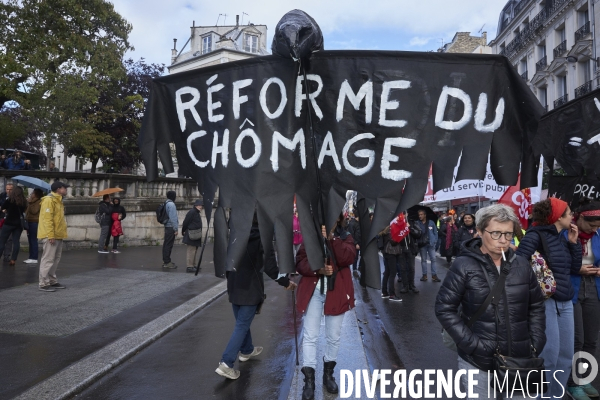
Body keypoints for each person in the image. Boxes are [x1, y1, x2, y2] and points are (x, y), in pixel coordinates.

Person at [435, 204, 546, 400]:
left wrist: (535, 342)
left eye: (508, 234)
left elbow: (536, 306)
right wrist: (474, 345)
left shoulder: (521, 264)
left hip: (521, 359)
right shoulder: (464, 265)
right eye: (495, 233)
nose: (503, 240)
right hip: (478, 362)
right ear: (479, 231)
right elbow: (445, 308)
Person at [215, 213, 296, 380]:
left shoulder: (234, 234)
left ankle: (247, 350)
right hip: (250, 287)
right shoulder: (263, 238)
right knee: (242, 325)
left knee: (242, 323)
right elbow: (271, 268)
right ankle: (226, 363)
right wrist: (286, 282)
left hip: (234, 285)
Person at [516, 197, 581, 399]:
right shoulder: (535, 235)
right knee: (549, 356)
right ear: (557, 216)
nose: (572, 216)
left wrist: (573, 243)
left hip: (566, 300)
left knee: (566, 356)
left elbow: (573, 268)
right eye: (568, 212)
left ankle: (556, 395)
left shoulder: (563, 236)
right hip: (546, 301)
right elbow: (518, 263)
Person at [295, 214, 356, 399]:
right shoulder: (311, 238)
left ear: (337, 220)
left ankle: (328, 374)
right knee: (310, 336)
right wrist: (318, 269)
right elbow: (300, 262)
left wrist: (332, 239)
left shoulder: (345, 236)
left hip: (336, 292)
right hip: (313, 292)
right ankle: (309, 380)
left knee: (333, 337)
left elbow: (348, 257)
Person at [566, 200, 600, 400]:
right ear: (579, 218)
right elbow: (557, 261)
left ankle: (583, 378)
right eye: (592, 225)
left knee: (591, 339)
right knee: (577, 339)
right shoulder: (566, 234)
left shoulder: (598, 235)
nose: (595, 229)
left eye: (598, 226)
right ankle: (571, 383)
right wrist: (576, 269)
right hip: (573, 288)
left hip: (594, 288)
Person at [38, 181, 69, 292]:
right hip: (51, 235)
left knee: (55, 259)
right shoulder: (49, 200)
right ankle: (43, 283)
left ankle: (51, 280)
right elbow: (48, 219)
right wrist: (50, 235)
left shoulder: (58, 200)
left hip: (57, 234)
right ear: (58, 189)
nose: (66, 190)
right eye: (64, 188)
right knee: (48, 259)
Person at [0, 185, 27, 265]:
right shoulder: (24, 201)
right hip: (18, 224)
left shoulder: (10, 200)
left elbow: (3, 207)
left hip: (9, 222)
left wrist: (7, 210)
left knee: (2, 241)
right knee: (16, 241)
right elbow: (24, 210)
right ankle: (13, 259)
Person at [415, 209, 440, 282]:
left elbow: (435, 232)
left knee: (433, 259)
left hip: (431, 244)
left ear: (425, 215)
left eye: (421, 214)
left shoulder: (431, 222)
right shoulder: (417, 223)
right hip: (422, 244)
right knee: (423, 260)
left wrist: (435, 240)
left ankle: (434, 275)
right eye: (419, 215)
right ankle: (424, 275)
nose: (420, 216)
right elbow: (415, 233)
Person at [182, 199, 203, 271]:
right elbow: (186, 222)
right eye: (200, 205)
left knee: (194, 250)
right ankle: (189, 266)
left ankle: (193, 265)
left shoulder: (196, 212)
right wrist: (183, 230)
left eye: (201, 205)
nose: (201, 207)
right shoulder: (192, 212)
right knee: (191, 250)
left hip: (195, 234)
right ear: (196, 205)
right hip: (191, 234)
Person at [24, 188, 44, 264]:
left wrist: (30, 203)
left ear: (36, 194)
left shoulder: (38, 202)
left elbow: (34, 211)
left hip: (34, 222)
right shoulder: (32, 201)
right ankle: (31, 256)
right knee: (30, 240)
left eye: (33, 193)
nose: (31, 194)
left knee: (33, 240)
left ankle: (34, 257)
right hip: (29, 221)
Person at [162, 190, 178, 269]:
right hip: (170, 227)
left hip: (167, 226)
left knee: (166, 244)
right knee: (168, 245)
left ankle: (165, 260)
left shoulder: (166, 203)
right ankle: (167, 262)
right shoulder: (171, 204)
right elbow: (173, 218)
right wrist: (175, 229)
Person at [0, 182, 13, 262]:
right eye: (7, 189)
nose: (9, 191)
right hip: (1, 218)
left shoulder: (16, 197)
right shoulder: (2, 196)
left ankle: (7, 255)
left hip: (10, 219)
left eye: (10, 189)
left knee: (9, 238)